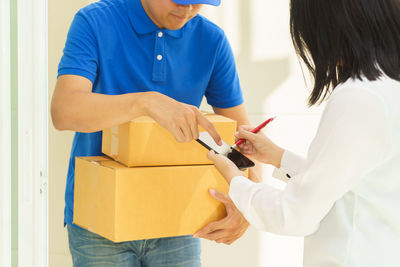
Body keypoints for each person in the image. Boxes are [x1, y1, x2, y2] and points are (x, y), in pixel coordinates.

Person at [51, 0, 260, 266]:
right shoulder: (95, 21)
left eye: (199, 2)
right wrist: (145, 102)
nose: (188, 9)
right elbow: (64, 111)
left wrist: (249, 205)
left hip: (178, 219)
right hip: (100, 219)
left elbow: (244, 140)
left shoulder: (211, 39)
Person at [204, 0, 400, 266]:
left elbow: (295, 213)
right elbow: (350, 182)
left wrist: (235, 179)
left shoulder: (358, 97)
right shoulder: (388, 88)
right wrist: (278, 157)